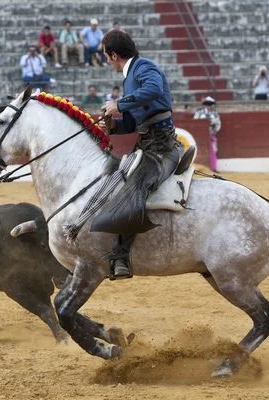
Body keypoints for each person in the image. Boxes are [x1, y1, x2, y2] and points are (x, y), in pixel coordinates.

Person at [95, 30, 179, 279]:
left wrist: (119, 104)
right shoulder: (130, 76)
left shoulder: (143, 67)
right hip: (147, 142)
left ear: (113, 54)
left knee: (132, 188)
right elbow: (132, 124)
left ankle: (122, 256)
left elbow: (153, 89)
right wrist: (113, 126)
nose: (106, 60)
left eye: (106, 56)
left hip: (161, 144)